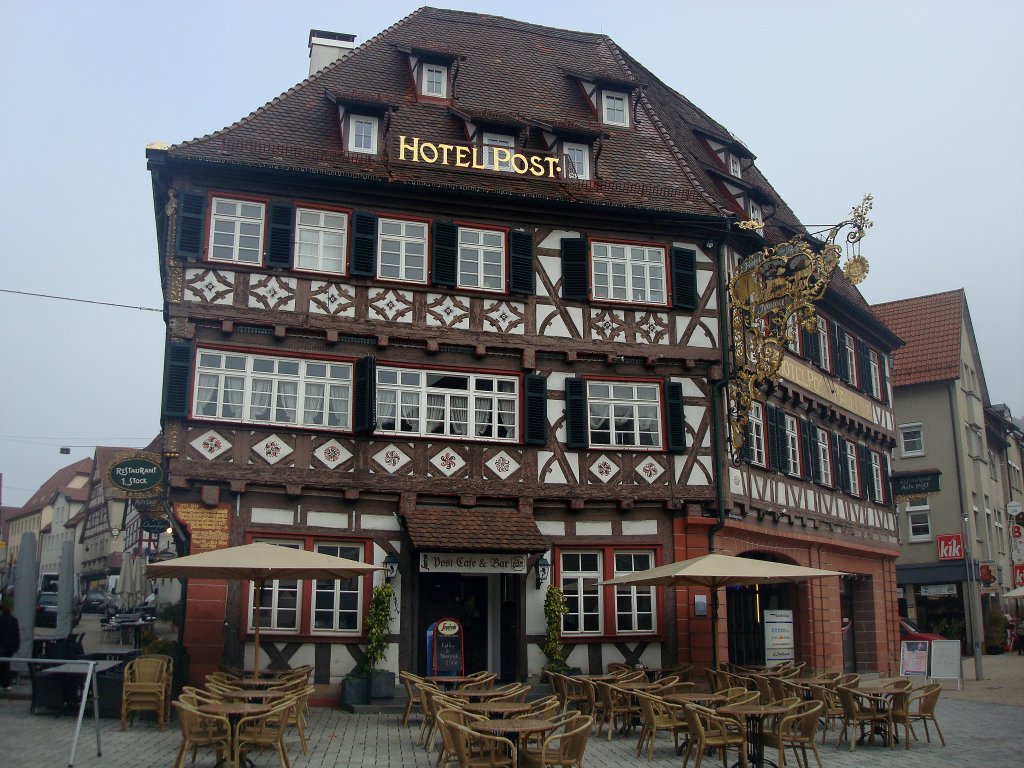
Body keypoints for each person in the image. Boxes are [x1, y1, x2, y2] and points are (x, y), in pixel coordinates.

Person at [0, 598, 21, 690]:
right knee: (6, 664)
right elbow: (16, 634)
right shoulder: (14, 620)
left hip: (2, 646)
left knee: (3, 665)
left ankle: (5, 682)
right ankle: (6, 683)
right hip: (10, 647)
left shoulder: (1, 619)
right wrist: (16, 646)